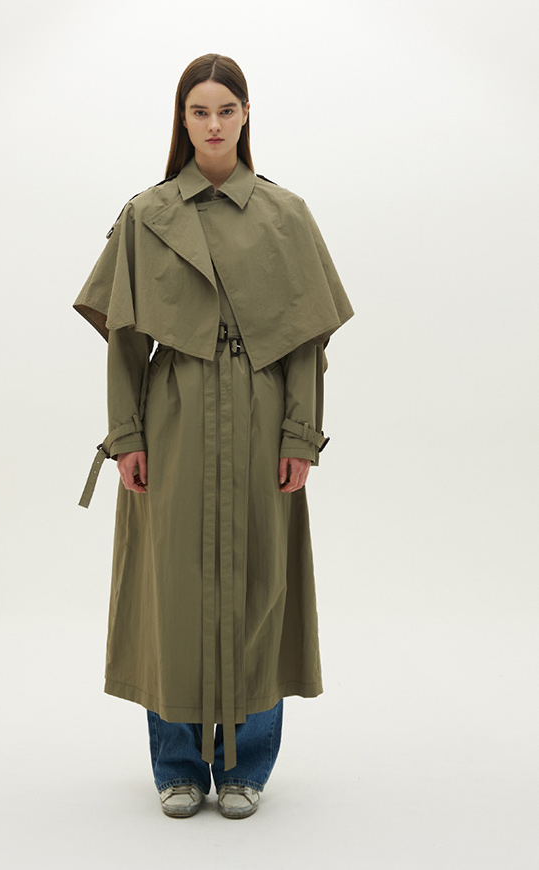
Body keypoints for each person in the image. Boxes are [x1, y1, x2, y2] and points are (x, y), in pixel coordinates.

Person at [74, 53, 353, 819]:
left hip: (261, 415)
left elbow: (306, 343)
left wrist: (300, 436)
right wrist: (126, 434)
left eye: (226, 110)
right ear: (183, 120)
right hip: (173, 415)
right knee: (172, 589)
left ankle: (245, 766)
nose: (213, 124)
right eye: (199, 111)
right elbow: (124, 341)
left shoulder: (285, 215)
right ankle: (177, 766)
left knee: (261, 586)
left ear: (246, 114)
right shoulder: (148, 215)